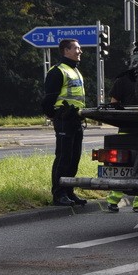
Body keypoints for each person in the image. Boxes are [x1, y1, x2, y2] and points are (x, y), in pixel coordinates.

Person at [41, 38, 88, 207]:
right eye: (77, 48)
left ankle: (69, 191)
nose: (80, 51)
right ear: (66, 51)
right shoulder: (57, 71)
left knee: (74, 158)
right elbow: (48, 100)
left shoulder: (75, 71)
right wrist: (56, 116)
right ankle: (59, 194)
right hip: (64, 120)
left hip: (76, 121)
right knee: (63, 158)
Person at [104, 68, 138, 213]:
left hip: (127, 127)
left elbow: (113, 104)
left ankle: (113, 201)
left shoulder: (122, 79)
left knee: (123, 166)